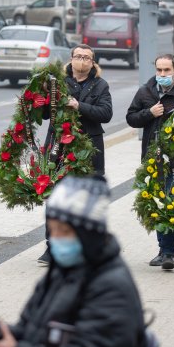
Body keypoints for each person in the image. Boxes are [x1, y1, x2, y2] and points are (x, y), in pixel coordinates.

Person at [0, 176, 146, 347]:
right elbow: (32, 328)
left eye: (65, 231)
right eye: (52, 229)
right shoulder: (62, 272)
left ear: (89, 233)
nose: (56, 238)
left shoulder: (112, 288)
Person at [37, 44, 113, 265]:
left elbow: (106, 113)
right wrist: (41, 101)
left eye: (87, 58)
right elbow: (43, 115)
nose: (82, 61)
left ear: (93, 63)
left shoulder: (100, 85)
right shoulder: (57, 83)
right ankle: (52, 248)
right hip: (58, 147)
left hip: (88, 147)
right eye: (78, 56)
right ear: (70, 59)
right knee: (55, 199)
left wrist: (79, 105)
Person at [126, 54, 174, 270]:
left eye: (166, 70)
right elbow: (131, 117)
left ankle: (168, 252)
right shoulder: (146, 92)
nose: (162, 75)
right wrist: (149, 113)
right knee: (157, 203)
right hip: (152, 160)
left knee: (172, 202)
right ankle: (163, 250)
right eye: (159, 71)